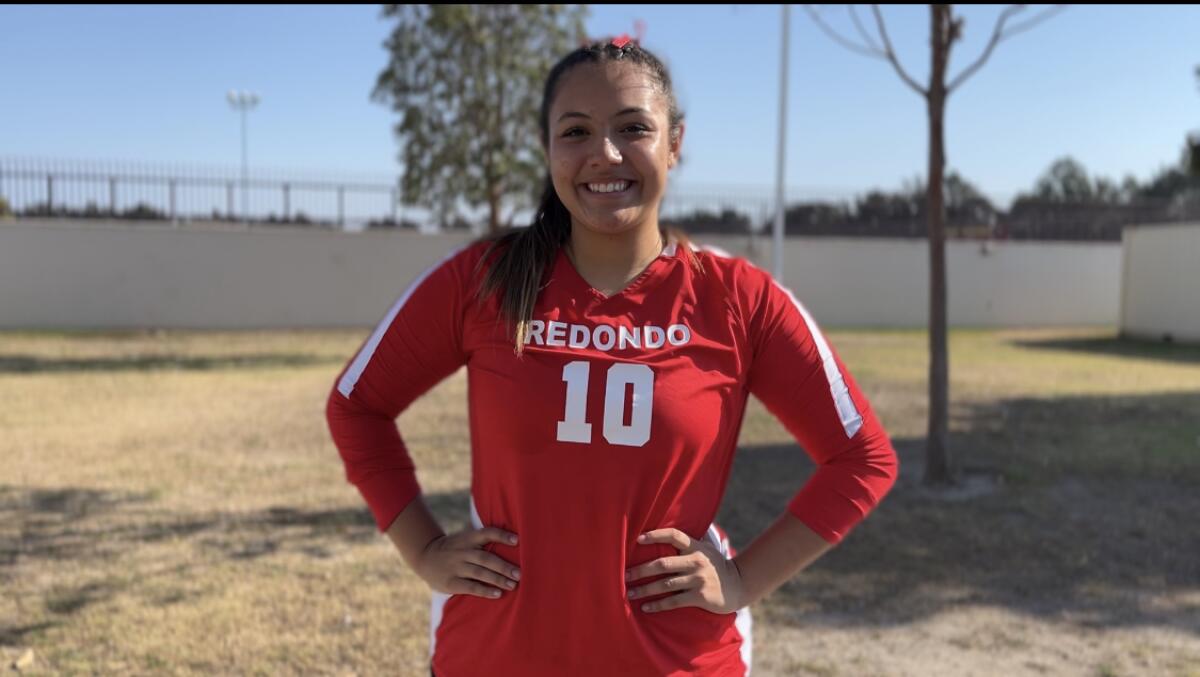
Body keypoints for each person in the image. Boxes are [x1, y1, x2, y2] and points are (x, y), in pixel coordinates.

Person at [325, 35, 898, 677]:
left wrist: (741, 580)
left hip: (678, 661)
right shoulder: (485, 280)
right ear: (547, 150)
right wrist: (424, 548)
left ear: (675, 143)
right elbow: (358, 405)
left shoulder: (738, 299)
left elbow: (862, 457)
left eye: (633, 128)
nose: (604, 153)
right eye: (576, 131)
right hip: (495, 656)